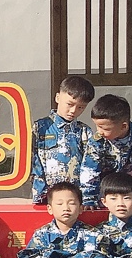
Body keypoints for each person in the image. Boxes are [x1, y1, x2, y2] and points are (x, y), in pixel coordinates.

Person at [80, 94, 132, 209]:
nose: (99, 131)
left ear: (123, 126)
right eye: (97, 126)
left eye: (105, 128)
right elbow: (89, 170)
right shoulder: (97, 142)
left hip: (130, 193)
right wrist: (89, 199)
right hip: (106, 194)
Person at [30, 75, 95, 205]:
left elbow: (90, 165)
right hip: (46, 195)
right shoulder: (40, 128)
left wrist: (88, 196)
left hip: (75, 196)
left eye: (81, 107)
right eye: (69, 104)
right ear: (58, 98)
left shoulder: (84, 131)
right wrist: (40, 191)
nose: (73, 111)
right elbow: (34, 160)